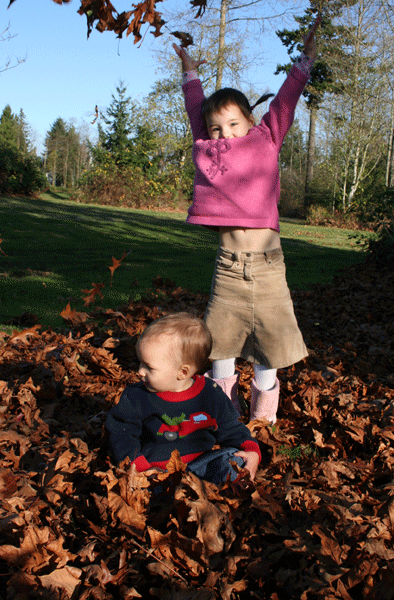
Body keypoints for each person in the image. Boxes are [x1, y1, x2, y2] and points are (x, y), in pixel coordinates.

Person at [172, 15, 322, 423]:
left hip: (269, 269)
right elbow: (195, 109)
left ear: (250, 122)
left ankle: (264, 421)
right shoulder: (208, 149)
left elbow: (287, 98)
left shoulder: (267, 138)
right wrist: (190, 73)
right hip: (228, 269)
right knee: (220, 348)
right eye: (216, 127)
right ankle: (226, 417)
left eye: (233, 124)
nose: (224, 133)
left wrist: (304, 62)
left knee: (268, 350)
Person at [106, 313, 261, 484]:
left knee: (232, 460)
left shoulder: (210, 394)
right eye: (140, 363)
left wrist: (251, 450)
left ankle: (219, 489)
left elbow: (231, 427)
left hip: (201, 464)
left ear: (183, 372)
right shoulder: (137, 397)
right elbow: (122, 434)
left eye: (149, 367)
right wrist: (138, 466)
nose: (140, 372)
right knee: (148, 486)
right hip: (156, 471)